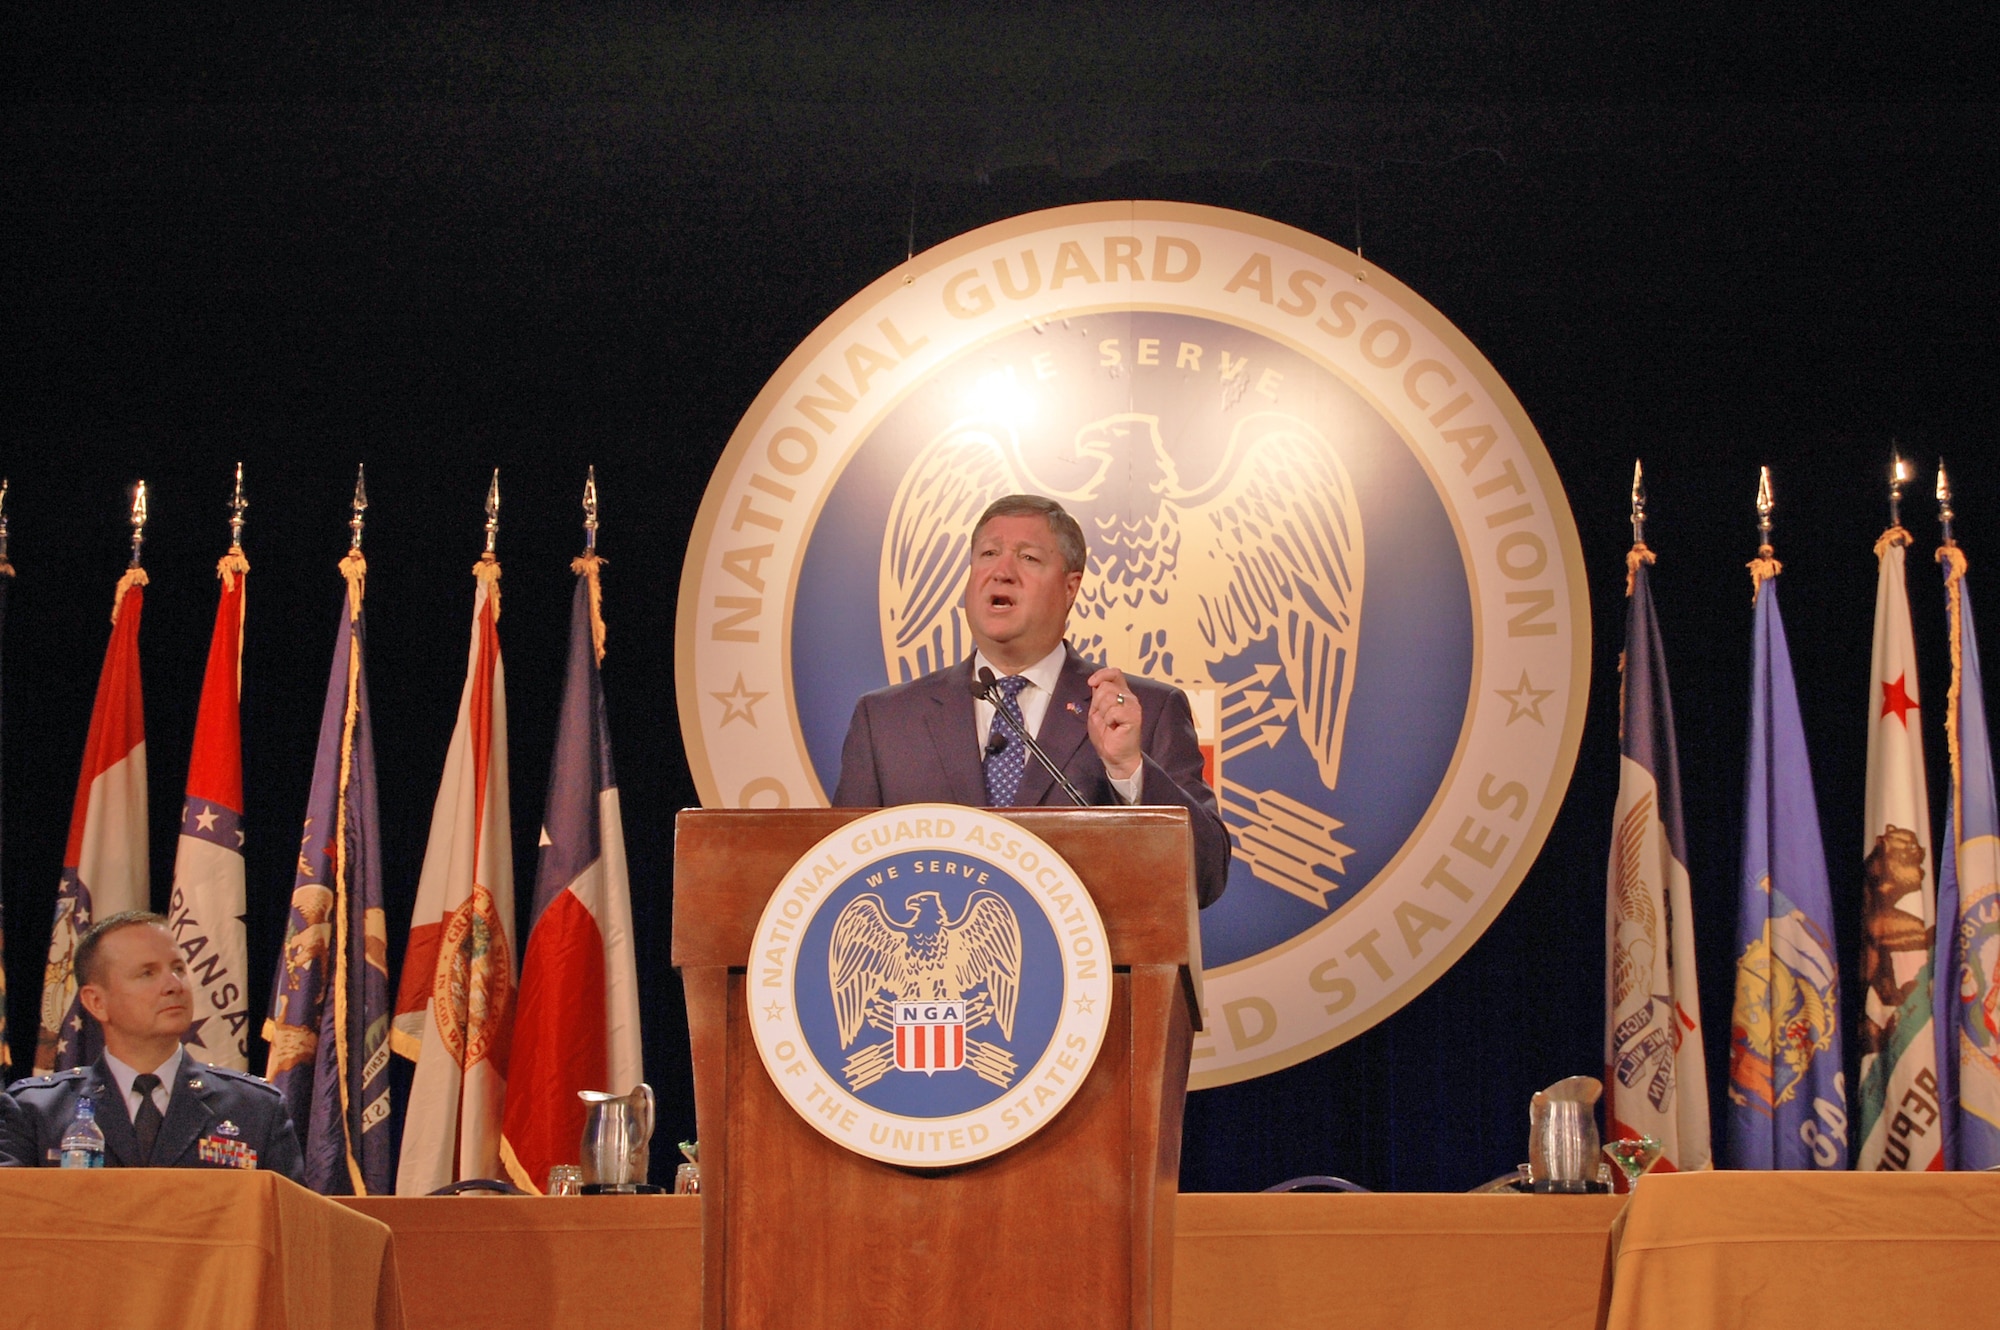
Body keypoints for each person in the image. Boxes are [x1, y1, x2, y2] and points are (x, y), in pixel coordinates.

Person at [835, 494, 1230, 907]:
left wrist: (1127, 769)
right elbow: (842, 879)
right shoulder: (886, 721)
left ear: (1070, 587)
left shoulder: (1141, 712)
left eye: (1028, 558)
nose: (1001, 572)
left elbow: (1206, 876)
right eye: (988, 553)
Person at [0, 911, 303, 1179]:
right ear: (96, 1002)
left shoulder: (255, 1110)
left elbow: (295, 1231)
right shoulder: (36, 1111)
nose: (174, 985)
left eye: (178, 968)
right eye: (147, 973)